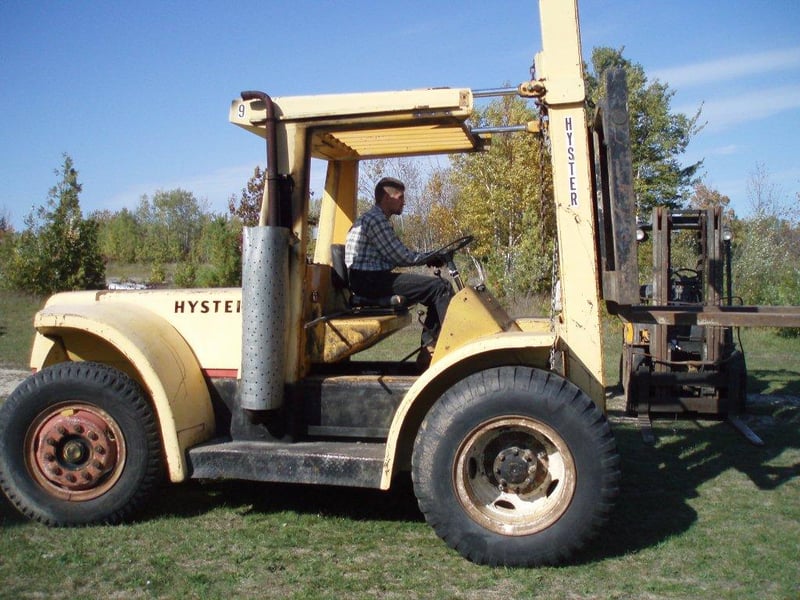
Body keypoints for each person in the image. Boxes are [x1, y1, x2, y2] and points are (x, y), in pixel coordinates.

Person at [345, 177, 453, 360]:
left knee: (437, 289)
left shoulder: (375, 219)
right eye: (401, 197)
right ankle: (446, 344)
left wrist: (430, 256)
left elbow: (395, 255)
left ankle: (430, 348)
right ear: (387, 197)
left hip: (370, 278)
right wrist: (431, 256)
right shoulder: (376, 220)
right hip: (368, 280)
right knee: (441, 288)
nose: (404, 202)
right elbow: (401, 256)